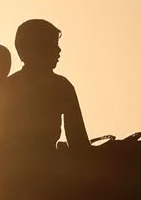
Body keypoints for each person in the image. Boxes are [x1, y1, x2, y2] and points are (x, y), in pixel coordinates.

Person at [6, 20, 89, 153]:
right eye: (52, 45)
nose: (59, 50)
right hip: (42, 164)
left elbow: (79, 141)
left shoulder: (8, 86)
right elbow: (78, 141)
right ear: (33, 49)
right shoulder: (61, 86)